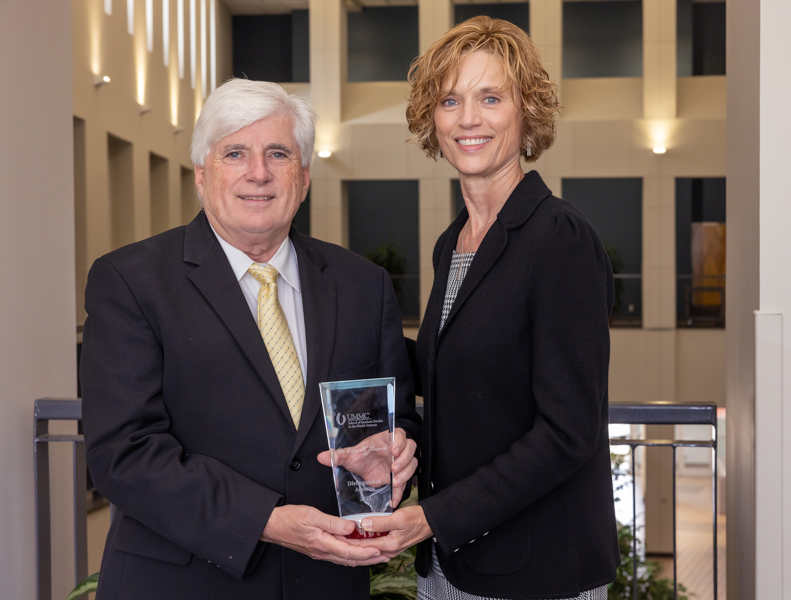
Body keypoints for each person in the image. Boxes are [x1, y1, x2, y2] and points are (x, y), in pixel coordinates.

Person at [81, 78, 421, 600]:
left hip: (325, 584)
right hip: (182, 583)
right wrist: (266, 520)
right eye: (235, 152)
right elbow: (124, 454)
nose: (258, 173)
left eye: (278, 154)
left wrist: (394, 454)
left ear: (303, 177)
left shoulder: (363, 285)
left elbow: (394, 416)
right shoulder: (130, 280)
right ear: (202, 173)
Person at [353, 17, 620, 600]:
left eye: (490, 98)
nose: (468, 118)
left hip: (534, 568)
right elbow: (460, 367)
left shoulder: (559, 238)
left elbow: (566, 432)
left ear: (527, 112)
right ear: (433, 120)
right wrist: (335, 342)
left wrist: (433, 517)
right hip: (454, 563)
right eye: (450, 100)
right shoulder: (455, 243)